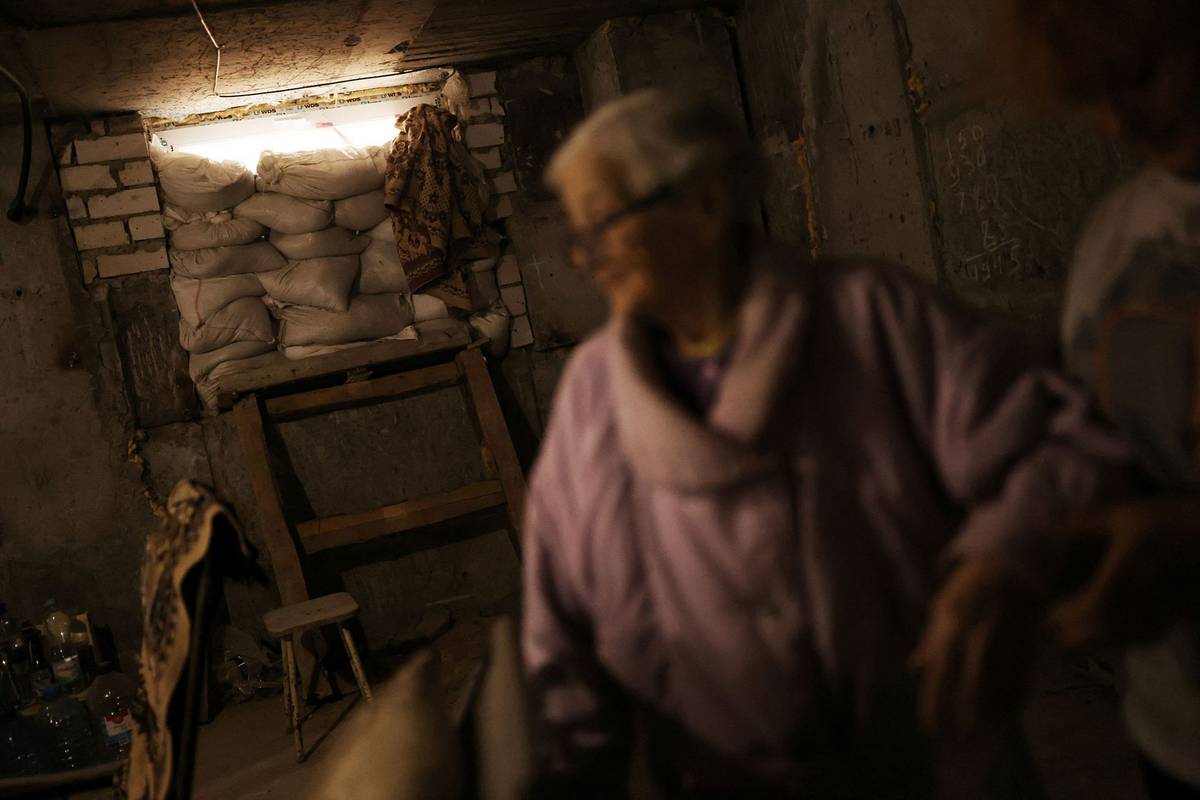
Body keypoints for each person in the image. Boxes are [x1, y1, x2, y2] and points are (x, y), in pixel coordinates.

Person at [521, 89, 1130, 798]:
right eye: (577, 237)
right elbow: (558, 620)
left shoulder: (872, 318)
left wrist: (1000, 561)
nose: (586, 260)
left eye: (600, 225)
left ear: (704, 203)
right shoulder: (590, 398)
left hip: (930, 770)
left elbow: (1058, 445)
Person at [996, 1, 1200, 796]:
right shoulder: (1116, 235)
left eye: (1141, 75)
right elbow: (1097, 439)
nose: (1116, 121)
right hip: (1175, 732)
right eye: (1093, 92)